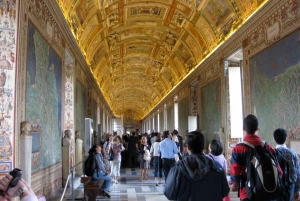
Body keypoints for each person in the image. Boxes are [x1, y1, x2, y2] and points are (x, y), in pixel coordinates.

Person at [164, 131, 229, 201]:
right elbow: (224, 191)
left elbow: (169, 193)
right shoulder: (216, 167)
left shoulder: (177, 168)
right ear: (203, 146)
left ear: (188, 147)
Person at [230, 114, 277, 201]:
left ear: (243, 128)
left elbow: (235, 172)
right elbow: (278, 169)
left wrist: (235, 185)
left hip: (247, 193)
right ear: (257, 129)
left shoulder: (238, 149)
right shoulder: (267, 147)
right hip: (267, 192)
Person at [273, 128, 300, 201]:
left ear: (274, 139)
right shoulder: (293, 154)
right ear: (286, 139)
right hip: (290, 186)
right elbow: (297, 173)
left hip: (275, 187)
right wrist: (297, 190)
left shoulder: (272, 153)